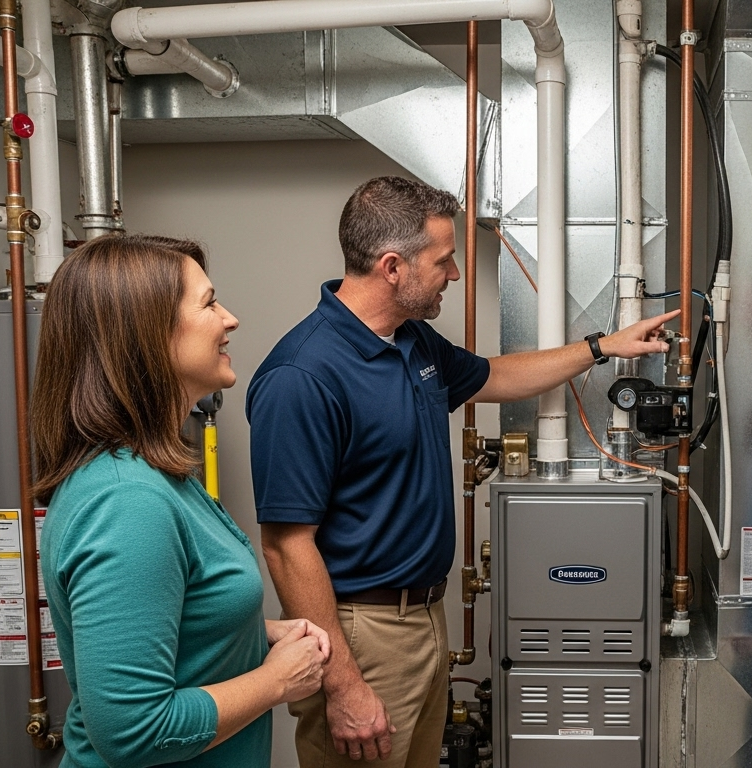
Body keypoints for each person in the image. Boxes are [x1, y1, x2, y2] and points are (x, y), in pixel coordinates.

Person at [247, 176, 678, 767]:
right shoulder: (303, 377)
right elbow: (285, 547)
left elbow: (494, 377)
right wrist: (343, 684)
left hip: (424, 617)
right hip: (358, 631)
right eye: (444, 260)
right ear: (392, 266)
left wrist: (603, 347)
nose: (454, 274)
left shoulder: (412, 342)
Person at [33, 235, 330, 767]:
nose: (230, 318)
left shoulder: (156, 473)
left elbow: (167, 623)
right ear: (147, 335)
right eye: (209, 303)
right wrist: (276, 680)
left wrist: (250, 633)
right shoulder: (126, 503)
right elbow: (133, 731)